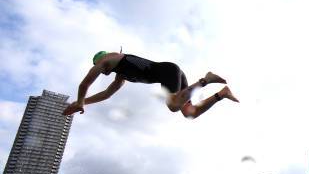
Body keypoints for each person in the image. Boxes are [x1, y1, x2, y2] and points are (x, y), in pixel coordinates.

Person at [62, 51, 239, 118]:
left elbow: (84, 84)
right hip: (172, 74)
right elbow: (106, 94)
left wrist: (80, 101)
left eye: (100, 68)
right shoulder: (120, 76)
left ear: (100, 60)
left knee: (173, 106)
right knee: (189, 112)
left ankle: (205, 80)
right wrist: (83, 102)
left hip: (169, 71)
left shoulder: (108, 59)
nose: (103, 72)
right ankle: (222, 94)